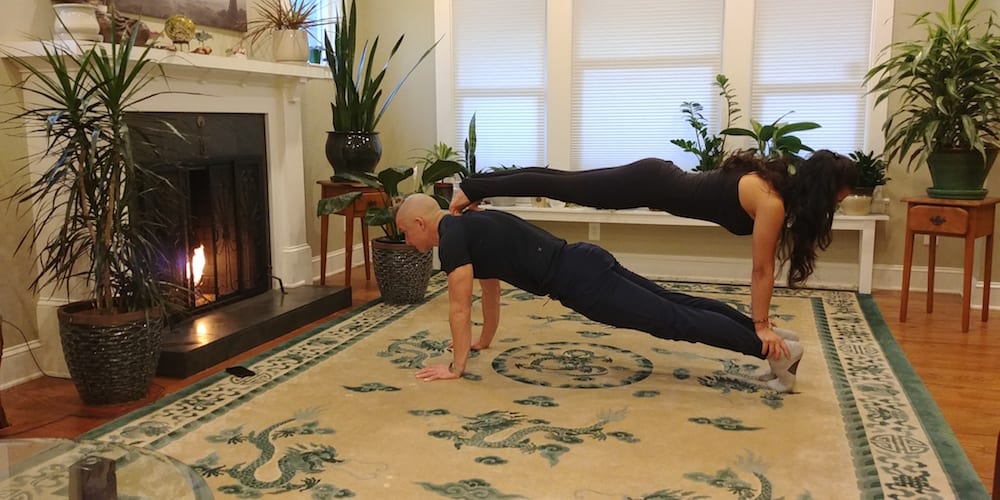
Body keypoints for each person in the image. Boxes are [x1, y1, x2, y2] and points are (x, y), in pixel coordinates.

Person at [449, 151, 857, 360]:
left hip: (656, 182)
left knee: (565, 183)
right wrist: (762, 323)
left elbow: (764, 267)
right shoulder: (771, 201)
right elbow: (762, 269)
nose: (843, 201)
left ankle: (474, 186)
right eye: (842, 194)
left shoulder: (774, 190)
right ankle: (472, 186)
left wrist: (763, 323)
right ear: (825, 190)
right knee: (565, 186)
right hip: (650, 182)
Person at [398, 193, 804, 393]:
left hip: (580, 282)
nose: (407, 241)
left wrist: (456, 367)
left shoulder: (451, 236)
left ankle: (770, 352)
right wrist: (483, 341)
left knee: (672, 320)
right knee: (675, 303)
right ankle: (775, 338)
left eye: (405, 233)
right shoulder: (467, 224)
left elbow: (457, 306)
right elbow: (490, 291)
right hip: (583, 258)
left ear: (420, 222)